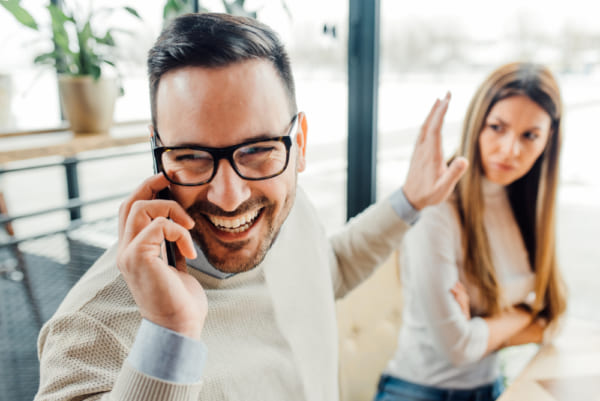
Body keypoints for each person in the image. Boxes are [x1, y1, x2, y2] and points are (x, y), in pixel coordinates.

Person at [34, 13, 468, 401]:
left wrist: (410, 202)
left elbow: (326, 271)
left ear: (298, 143)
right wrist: (169, 335)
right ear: (157, 151)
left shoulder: (289, 210)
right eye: (191, 156)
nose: (230, 195)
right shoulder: (90, 331)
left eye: (258, 149)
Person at [374, 62, 568, 401]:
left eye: (530, 136)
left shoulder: (523, 204)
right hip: (418, 392)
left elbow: (553, 319)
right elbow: (458, 349)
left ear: (548, 140)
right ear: (477, 123)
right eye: (497, 127)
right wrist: (523, 314)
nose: (510, 150)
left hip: (492, 389)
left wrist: (483, 328)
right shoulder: (438, 207)